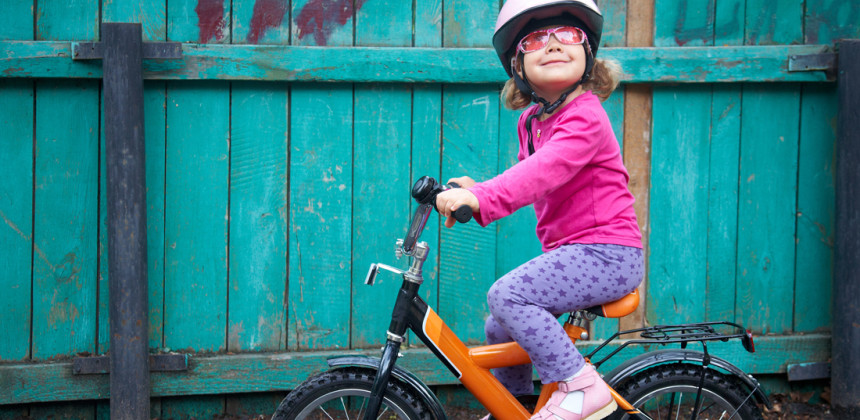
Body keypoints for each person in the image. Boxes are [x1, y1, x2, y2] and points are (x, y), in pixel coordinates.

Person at [434, 1, 644, 419]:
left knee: (507, 294)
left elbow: (545, 170)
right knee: (499, 323)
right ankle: (515, 407)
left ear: (588, 56)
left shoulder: (585, 116)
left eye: (567, 36)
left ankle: (581, 388)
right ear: (518, 66)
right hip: (578, 253)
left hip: (609, 254)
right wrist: (480, 189)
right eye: (534, 40)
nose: (551, 45)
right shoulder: (533, 119)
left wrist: (484, 199)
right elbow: (527, 172)